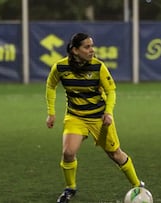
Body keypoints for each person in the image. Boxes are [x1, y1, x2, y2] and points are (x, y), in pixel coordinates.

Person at [45, 33, 143, 203]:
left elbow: (111, 91)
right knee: (68, 153)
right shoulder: (60, 67)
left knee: (115, 154)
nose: (92, 50)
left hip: (99, 118)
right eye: (87, 47)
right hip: (75, 117)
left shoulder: (98, 67)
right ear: (75, 50)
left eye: (92, 46)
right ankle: (70, 189)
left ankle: (137, 185)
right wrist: (51, 112)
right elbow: (50, 85)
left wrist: (108, 112)